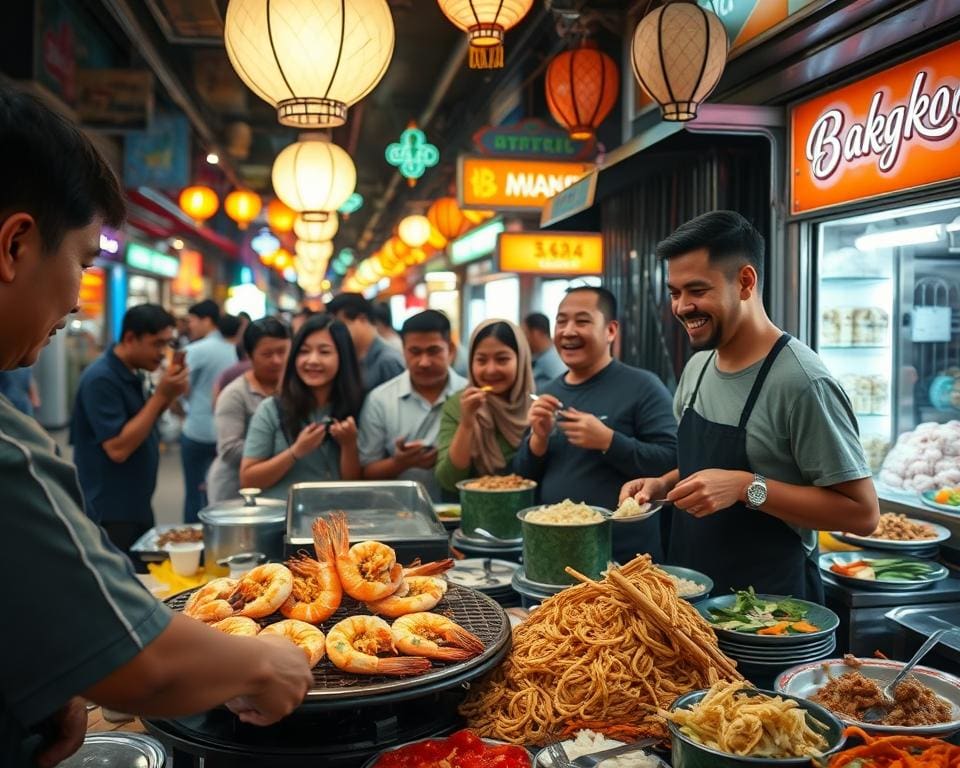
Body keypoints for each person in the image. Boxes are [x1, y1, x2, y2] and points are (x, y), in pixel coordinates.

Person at [0, 85, 311, 768]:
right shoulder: (8, 449)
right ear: (16, 245)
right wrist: (265, 664)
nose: (79, 302)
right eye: (82, 261)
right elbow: (147, 663)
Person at [620, 211, 879, 600]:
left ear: (745, 282)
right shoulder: (698, 366)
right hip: (690, 598)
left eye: (697, 290)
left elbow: (862, 514)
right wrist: (664, 483)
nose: (682, 307)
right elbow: (706, 465)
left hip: (770, 611)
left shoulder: (801, 382)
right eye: (675, 293)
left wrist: (747, 488)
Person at [515, 287, 677, 563]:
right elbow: (522, 478)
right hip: (553, 553)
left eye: (582, 321)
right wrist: (538, 441)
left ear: (610, 330)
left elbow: (672, 460)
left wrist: (609, 441)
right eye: (561, 321)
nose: (568, 331)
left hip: (624, 559)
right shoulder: (548, 391)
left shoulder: (643, 386)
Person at [70, 304, 189, 556]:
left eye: (167, 344)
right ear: (130, 338)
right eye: (157, 344)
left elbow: (142, 421)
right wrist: (161, 396)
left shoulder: (133, 372)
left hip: (134, 503)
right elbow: (118, 448)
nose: (162, 353)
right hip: (111, 510)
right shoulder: (101, 378)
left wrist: (169, 394)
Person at [240, 314, 363, 500]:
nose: (312, 360)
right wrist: (295, 451)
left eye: (324, 352)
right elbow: (248, 480)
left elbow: (355, 484)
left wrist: (348, 445)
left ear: (343, 357)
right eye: (304, 351)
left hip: (337, 522)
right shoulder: (272, 409)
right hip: (284, 522)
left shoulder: (359, 406)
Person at [359, 310, 466, 501]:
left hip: (461, 512)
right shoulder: (380, 400)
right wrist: (399, 463)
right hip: (398, 513)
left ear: (450, 350)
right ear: (403, 350)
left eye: (433, 351)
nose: (424, 362)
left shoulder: (468, 396)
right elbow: (366, 472)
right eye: (415, 352)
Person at [436, 319, 534, 492]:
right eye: (481, 360)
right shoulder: (459, 404)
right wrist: (467, 423)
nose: (491, 370)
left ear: (521, 360)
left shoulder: (538, 407)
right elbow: (449, 480)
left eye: (502, 359)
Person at [207, 317, 291, 503]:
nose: (276, 360)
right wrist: (285, 450)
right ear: (250, 355)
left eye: (282, 352)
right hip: (235, 490)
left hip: (279, 487)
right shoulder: (235, 394)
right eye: (267, 354)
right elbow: (229, 448)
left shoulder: (295, 389)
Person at [181, 299, 238, 521]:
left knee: (194, 493)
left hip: (197, 430)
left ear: (207, 321)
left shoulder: (195, 350)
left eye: (192, 321)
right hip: (226, 434)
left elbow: (180, 388)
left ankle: (194, 542)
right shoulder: (234, 350)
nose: (190, 326)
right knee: (222, 492)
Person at [326, 293, 405, 392]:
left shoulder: (387, 361)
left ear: (361, 319)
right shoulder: (354, 355)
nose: (338, 332)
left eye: (342, 325)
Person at [523, 312, 567, 393]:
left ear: (535, 333)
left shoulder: (553, 360)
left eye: (525, 333)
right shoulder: (538, 357)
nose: (523, 339)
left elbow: (564, 389)